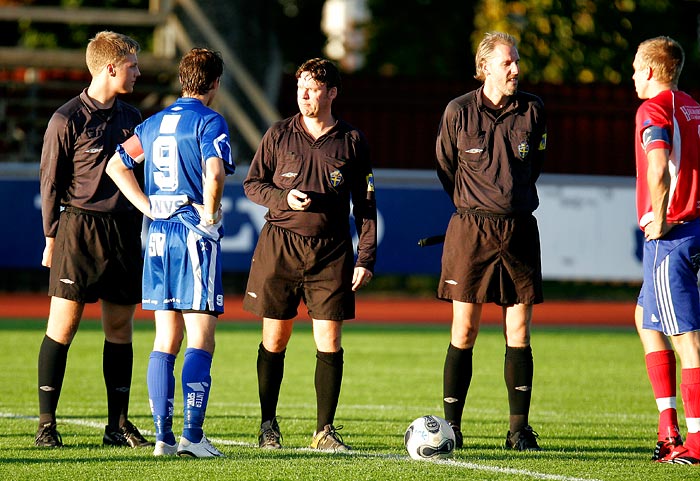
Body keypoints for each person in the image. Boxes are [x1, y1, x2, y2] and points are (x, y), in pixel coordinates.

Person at [106, 48, 235, 458]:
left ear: (183, 79)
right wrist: (211, 215)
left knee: (165, 337)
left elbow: (116, 164)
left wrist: (146, 206)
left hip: (158, 237)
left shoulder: (154, 123)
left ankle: (162, 437)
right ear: (214, 84)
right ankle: (192, 437)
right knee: (201, 337)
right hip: (193, 235)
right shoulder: (210, 120)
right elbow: (214, 172)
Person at [243, 57, 377, 452]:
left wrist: (365, 256)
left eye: (313, 87)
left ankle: (324, 430)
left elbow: (365, 204)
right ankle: (268, 426)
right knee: (275, 337)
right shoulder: (279, 134)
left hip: (331, 250)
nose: (304, 93)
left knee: (329, 339)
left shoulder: (352, 140)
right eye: (300, 85)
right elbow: (252, 184)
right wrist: (283, 197)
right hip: (279, 245)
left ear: (331, 93)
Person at [36, 31, 152, 449]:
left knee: (120, 328)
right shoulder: (66, 119)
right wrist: (51, 236)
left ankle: (116, 425)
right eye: (132, 65)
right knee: (63, 327)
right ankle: (46, 425)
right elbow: (50, 183)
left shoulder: (134, 118)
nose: (138, 72)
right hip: (79, 231)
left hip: (123, 231)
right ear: (110, 68)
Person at [435, 32, 547, 452]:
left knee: (518, 329)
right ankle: (452, 429)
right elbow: (446, 168)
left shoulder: (533, 109)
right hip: (471, 231)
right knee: (464, 329)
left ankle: (519, 429)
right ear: (485, 68)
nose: (515, 69)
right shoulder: (458, 112)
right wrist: (476, 205)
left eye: (516, 61)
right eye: (507, 63)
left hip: (518, 229)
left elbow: (535, 164)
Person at [631, 36, 700, 465]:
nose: (633, 75)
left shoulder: (652, 109)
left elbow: (657, 166)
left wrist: (662, 216)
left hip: (672, 236)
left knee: (686, 339)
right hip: (694, 226)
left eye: (637, 68)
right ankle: (668, 427)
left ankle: (693, 443)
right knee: (643, 317)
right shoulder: (692, 105)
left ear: (652, 71)